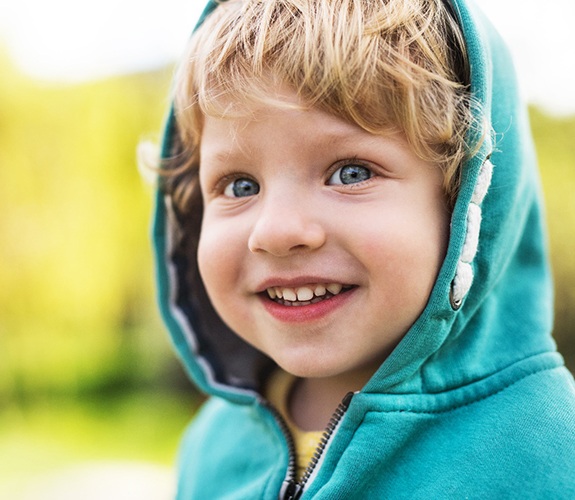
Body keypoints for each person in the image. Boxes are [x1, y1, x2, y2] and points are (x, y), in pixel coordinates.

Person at [150, 0, 575, 497]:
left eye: (351, 173)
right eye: (240, 185)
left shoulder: (547, 453)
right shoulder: (213, 446)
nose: (276, 231)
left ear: (467, 205)